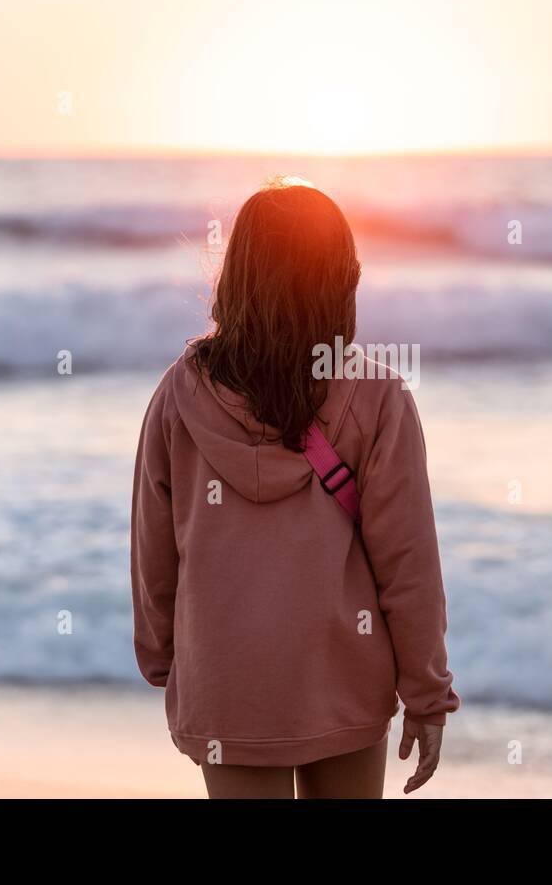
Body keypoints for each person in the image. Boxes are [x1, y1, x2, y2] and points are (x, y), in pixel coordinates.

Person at [130, 177, 458, 798]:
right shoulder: (377, 395)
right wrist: (427, 694)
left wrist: (166, 656)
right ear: (341, 278)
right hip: (343, 677)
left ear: (239, 273)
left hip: (227, 681)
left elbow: (154, 546)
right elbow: (408, 562)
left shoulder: (180, 393)